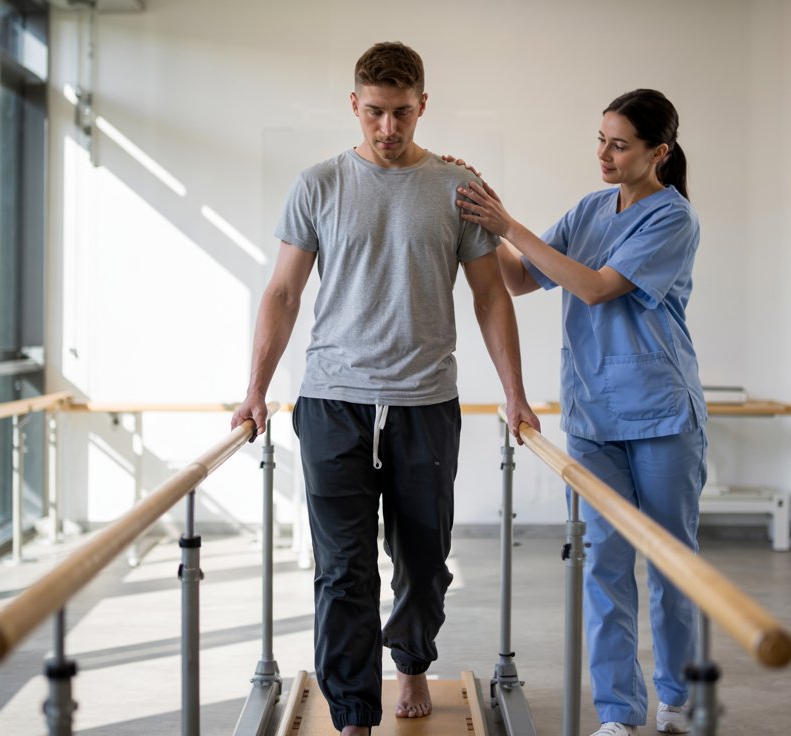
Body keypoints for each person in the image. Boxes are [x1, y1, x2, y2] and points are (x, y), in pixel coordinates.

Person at [230, 41, 540, 736]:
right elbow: (282, 292)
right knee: (343, 571)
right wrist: (254, 390)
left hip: (425, 404)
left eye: (402, 113)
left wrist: (516, 394)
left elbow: (492, 297)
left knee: (423, 561)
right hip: (332, 401)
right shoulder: (318, 184)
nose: (388, 128)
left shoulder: (455, 188)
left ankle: (412, 659)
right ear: (354, 105)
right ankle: (353, 715)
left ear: (422, 105)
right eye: (375, 113)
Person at [454, 89, 705, 736]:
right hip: (594, 418)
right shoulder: (591, 210)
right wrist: (484, 210)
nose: (605, 154)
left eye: (620, 144)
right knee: (606, 568)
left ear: (660, 153)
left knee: (674, 566)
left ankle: (679, 700)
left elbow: (594, 288)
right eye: (601, 139)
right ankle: (620, 714)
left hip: (661, 417)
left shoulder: (673, 219)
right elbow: (518, 278)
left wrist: (510, 224)